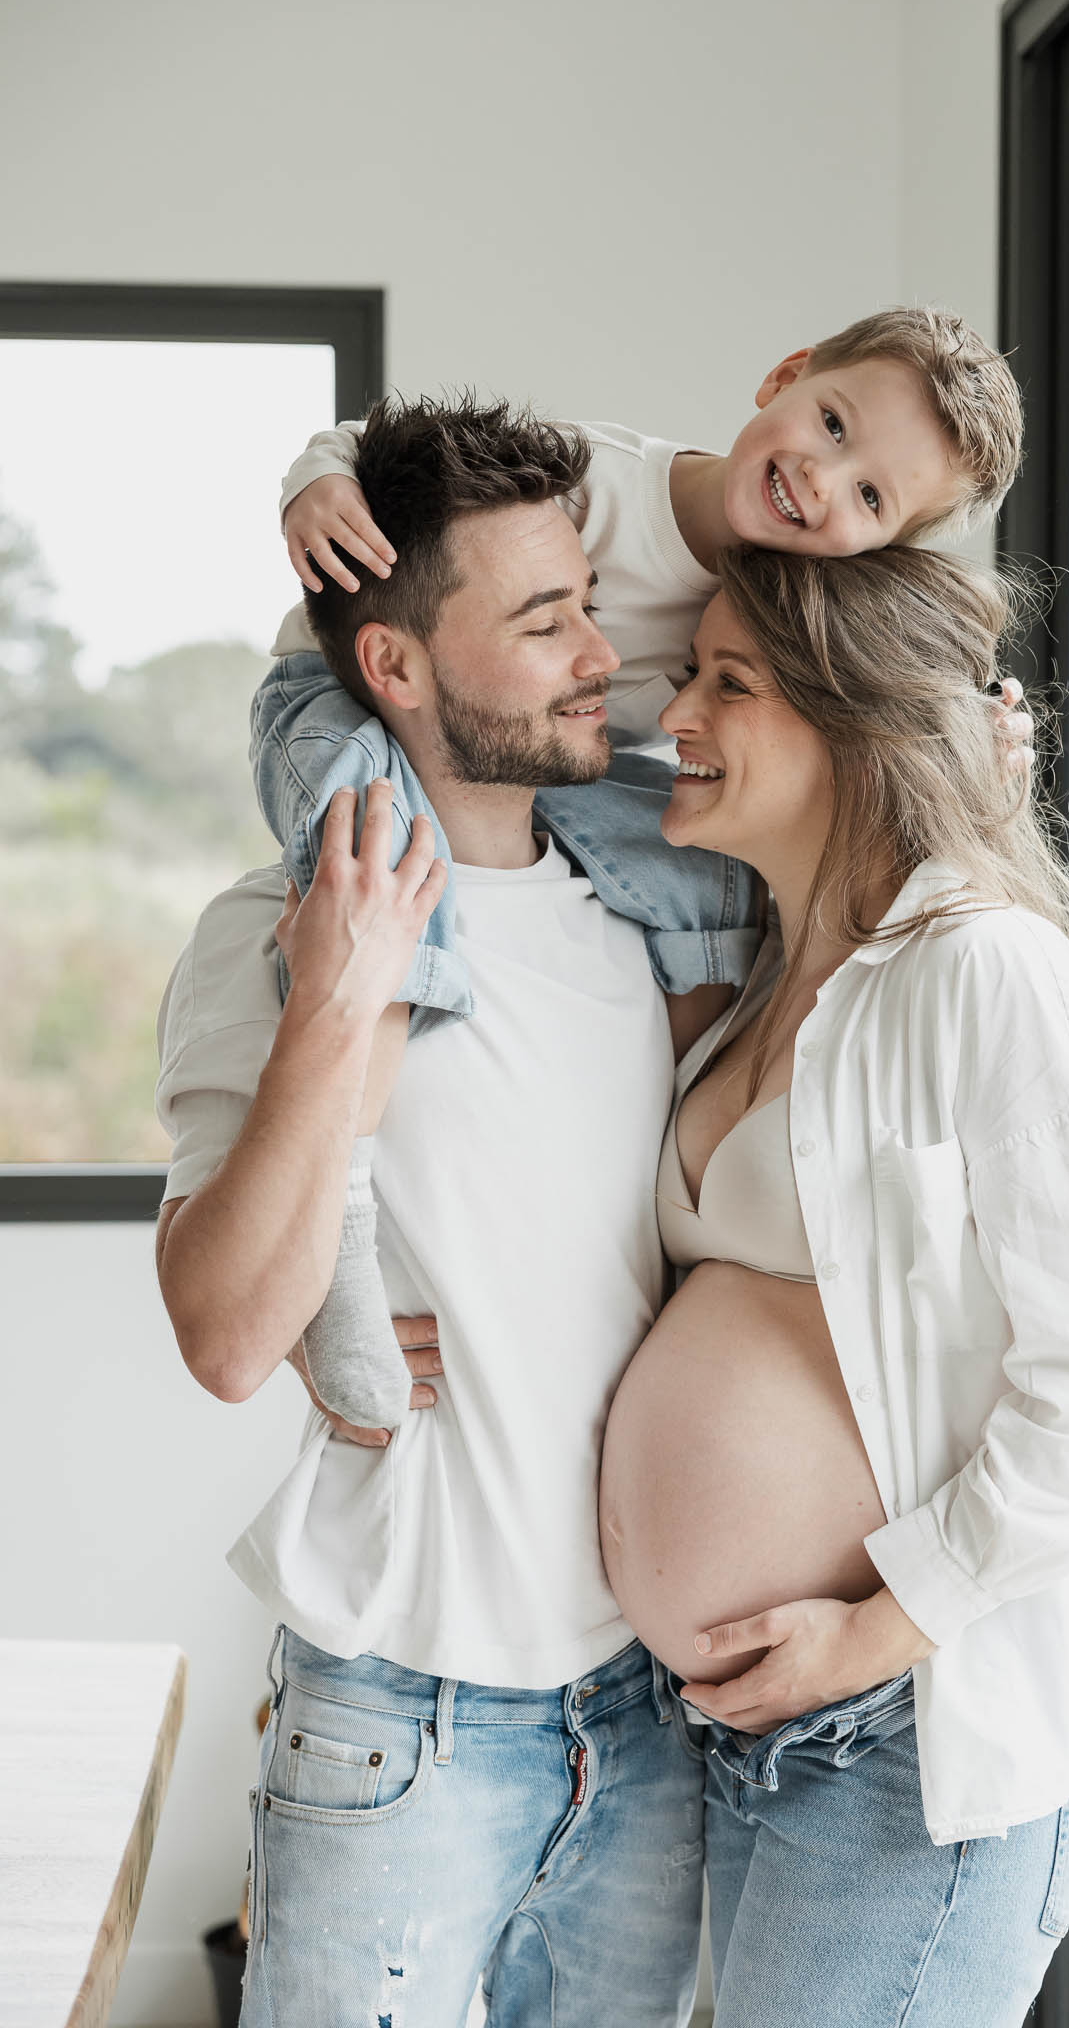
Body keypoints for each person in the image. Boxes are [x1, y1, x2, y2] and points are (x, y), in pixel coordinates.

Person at [155, 398, 758, 2028]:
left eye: (589, 603)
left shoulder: (649, 919)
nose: (597, 655)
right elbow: (224, 1332)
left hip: (647, 1711)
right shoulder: (271, 934)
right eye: (543, 618)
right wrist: (337, 1006)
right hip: (397, 1720)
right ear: (397, 670)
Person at [596, 545, 1069, 2026]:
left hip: (911, 1724)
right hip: (750, 1728)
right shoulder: (759, 973)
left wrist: (873, 1628)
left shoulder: (985, 970)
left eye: (727, 682)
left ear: (857, 725)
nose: (671, 709)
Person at [257, 305, 1028, 1430]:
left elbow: (884, 680)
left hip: (569, 769)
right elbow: (378, 449)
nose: (822, 481)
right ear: (787, 371)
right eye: (829, 423)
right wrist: (316, 485)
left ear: (886, 543)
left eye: (870, 497)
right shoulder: (599, 484)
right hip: (344, 701)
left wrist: (982, 734)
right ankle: (346, 1232)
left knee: (705, 878)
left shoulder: (787, 594)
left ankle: (663, 1137)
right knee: (378, 869)